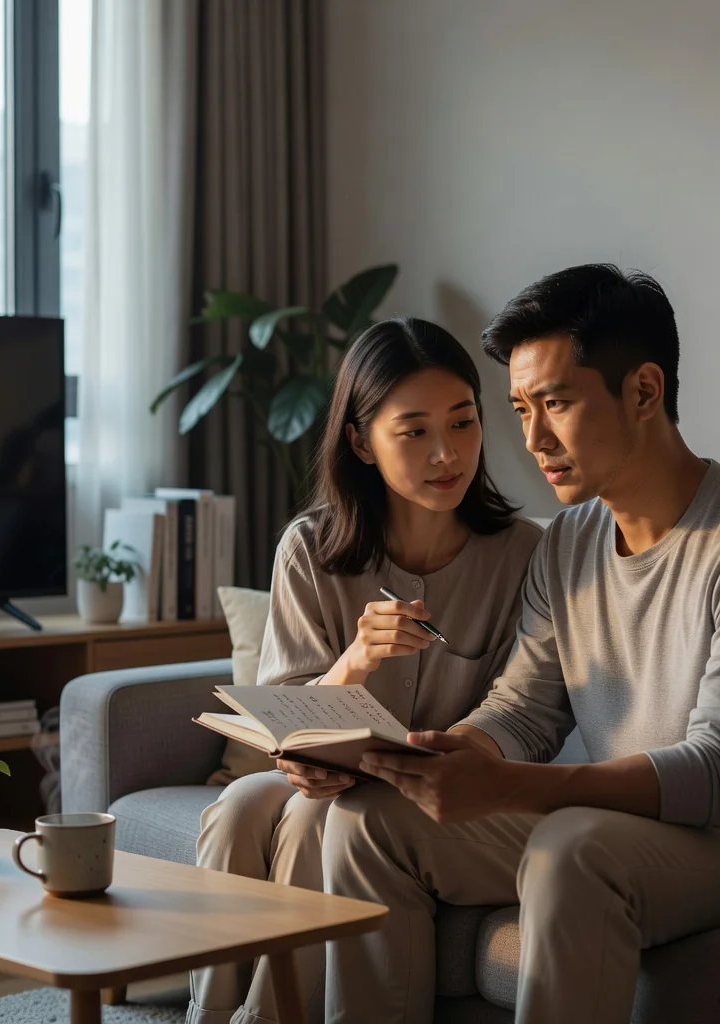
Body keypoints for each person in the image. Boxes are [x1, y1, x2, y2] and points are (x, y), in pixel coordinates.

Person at [319, 265, 720, 1024]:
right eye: (518, 408)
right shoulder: (567, 541)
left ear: (643, 392)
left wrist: (508, 788)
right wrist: (461, 751)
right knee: (369, 822)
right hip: (623, 829)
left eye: (557, 403)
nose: (533, 438)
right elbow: (526, 710)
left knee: (572, 850)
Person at [186, 317, 543, 1024]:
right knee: (237, 808)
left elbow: (523, 705)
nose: (447, 453)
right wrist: (353, 662)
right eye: (413, 431)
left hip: (441, 793)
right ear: (360, 441)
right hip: (331, 777)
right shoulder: (311, 549)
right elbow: (284, 709)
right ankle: (213, 1012)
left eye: (464, 423)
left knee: (313, 820)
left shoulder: (523, 554)